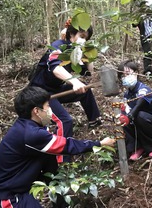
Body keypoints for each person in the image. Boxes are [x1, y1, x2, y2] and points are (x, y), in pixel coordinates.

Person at [0, 86, 116, 208]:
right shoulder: (31, 134)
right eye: (47, 106)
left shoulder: (30, 126)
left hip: (21, 190)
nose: (50, 110)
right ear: (36, 111)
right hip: (7, 199)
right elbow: (67, 146)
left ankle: (61, 206)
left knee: (49, 157)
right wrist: (99, 143)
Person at [29, 18, 101, 162]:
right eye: (81, 36)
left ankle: (94, 120)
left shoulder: (77, 53)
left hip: (55, 90)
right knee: (65, 121)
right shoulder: (57, 47)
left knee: (85, 92)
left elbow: (88, 73)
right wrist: (73, 81)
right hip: (39, 92)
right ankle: (62, 160)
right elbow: (56, 67)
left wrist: (89, 56)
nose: (83, 40)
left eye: (86, 38)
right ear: (72, 34)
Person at [117, 60, 152, 161]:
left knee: (139, 115)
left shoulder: (144, 89)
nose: (125, 77)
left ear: (136, 73)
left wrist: (130, 116)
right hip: (141, 129)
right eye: (122, 76)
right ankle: (137, 147)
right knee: (122, 120)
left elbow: (140, 103)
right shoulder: (127, 95)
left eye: (128, 74)